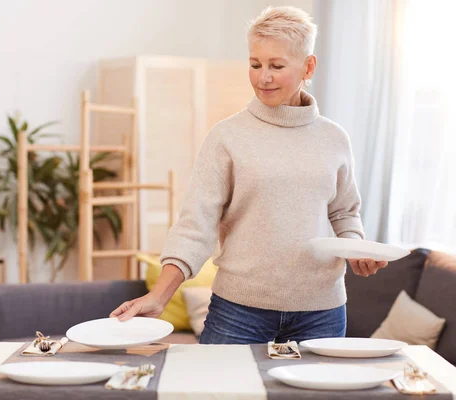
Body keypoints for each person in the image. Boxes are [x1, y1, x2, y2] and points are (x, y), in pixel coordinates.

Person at [110, 6, 388, 344]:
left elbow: (343, 212)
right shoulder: (227, 137)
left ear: (308, 66)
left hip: (323, 313)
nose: (263, 77)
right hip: (240, 313)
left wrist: (356, 248)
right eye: (255, 64)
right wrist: (159, 295)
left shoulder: (334, 138)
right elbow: (195, 224)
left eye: (277, 65)